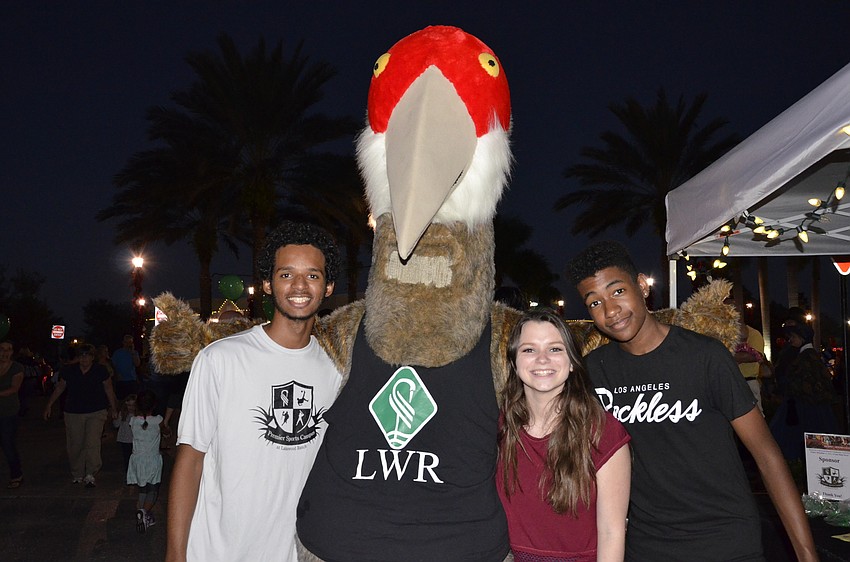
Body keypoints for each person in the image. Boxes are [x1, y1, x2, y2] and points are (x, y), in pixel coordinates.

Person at [565, 241, 817, 562]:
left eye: (617, 292)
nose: (610, 310)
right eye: (595, 302)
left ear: (641, 285)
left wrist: (807, 554)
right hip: (648, 545)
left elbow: (766, 454)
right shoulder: (595, 370)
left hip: (726, 542)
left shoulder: (704, 357)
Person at [166, 221, 342, 562]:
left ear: (329, 286)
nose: (299, 286)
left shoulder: (335, 371)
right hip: (217, 553)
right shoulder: (220, 360)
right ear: (266, 283)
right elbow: (190, 462)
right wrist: (175, 554)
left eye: (313, 275)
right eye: (286, 274)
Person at [497, 309, 630, 561]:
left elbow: (612, 532)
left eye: (555, 349)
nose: (542, 359)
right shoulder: (501, 427)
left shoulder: (602, 431)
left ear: (571, 363)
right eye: (529, 350)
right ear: (514, 363)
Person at [43, 343, 118, 488]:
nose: (84, 359)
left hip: (96, 411)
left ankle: (91, 472)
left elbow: (108, 388)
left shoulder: (100, 370)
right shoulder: (69, 371)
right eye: (82, 356)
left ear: (92, 357)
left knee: (92, 442)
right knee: (75, 443)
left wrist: (113, 408)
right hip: (73, 411)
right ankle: (77, 472)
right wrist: (49, 405)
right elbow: (60, 387)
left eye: (87, 356)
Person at [769, 323, 839, 462]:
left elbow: (804, 382)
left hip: (806, 407)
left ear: (802, 338)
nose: (791, 340)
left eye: (793, 337)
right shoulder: (807, 355)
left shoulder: (806, 357)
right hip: (807, 405)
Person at [724, 297, 767, 414]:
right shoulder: (719, 334)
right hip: (727, 385)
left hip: (747, 384)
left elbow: (753, 356)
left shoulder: (753, 334)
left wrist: (724, 356)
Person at [128, 390, 163, 533]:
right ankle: (144, 511)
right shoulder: (158, 420)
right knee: (153, 490)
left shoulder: (133, 421)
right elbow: (165, 432)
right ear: (154, 405)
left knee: (142, 489)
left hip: (137, 459)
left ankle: (141, 514)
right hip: (152, 459)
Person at [0, 341, 25, 488]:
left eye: (8, 349)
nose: (5, 352)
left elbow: (14, 388)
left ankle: (16, 474)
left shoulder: (16, 368)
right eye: (2, 349)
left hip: (8, 412)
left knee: (7, 443)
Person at [113, 393, 137, 473]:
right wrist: (115, 418)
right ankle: (128, 473)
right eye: (129, 405)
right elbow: (116, 424)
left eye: (133, 405)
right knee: (127, 457)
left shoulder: (138, 415)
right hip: (125, 439)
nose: (131, 408)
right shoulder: (123, 414)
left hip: (135, 439)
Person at [112, 334, 140, 400]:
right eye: (127, 342)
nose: (128, 344)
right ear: (123, 342)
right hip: (121, 380)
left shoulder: (134, 353)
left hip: (131, 380)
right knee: (121, 399)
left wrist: (133, 353)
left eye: (130, 342)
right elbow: (113, 365)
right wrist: (116, 374)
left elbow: (137, 364)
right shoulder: (117, 353)